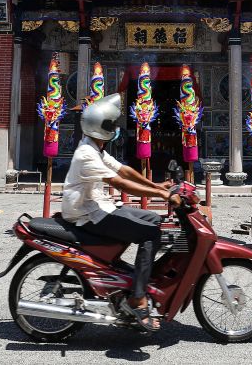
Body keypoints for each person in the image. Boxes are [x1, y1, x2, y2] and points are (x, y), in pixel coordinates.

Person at [61, 93, 178, 332]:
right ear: (102, 128)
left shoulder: (96, 149)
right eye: (111, 125)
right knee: (150, 235)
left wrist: (156, 185)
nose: (115, 129)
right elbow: (120, 184)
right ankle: (137, 297)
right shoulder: (87, 155)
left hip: (100, 207)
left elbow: (123, 170)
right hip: (88, 214)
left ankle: (136, 278)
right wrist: (163, 195)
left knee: (155, 220)